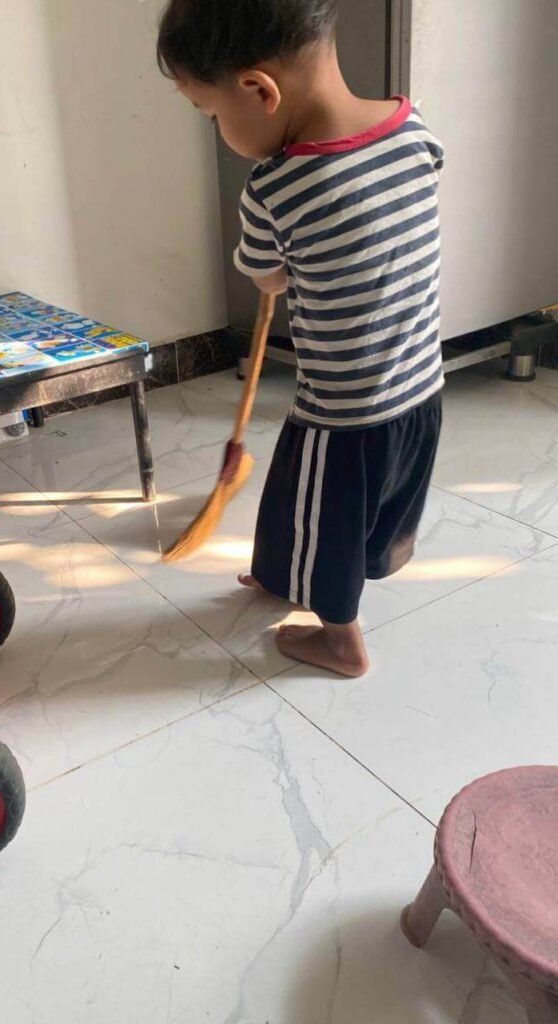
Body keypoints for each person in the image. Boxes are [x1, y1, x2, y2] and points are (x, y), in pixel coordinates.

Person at [157, 0, 445, 677]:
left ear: (259, 91)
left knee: (332, 516)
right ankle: (290, 569)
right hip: (420, 384)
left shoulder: (276, 187)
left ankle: (340, 637)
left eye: (212, 114)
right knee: (310, 491)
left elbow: (266, 274)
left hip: (343, 411)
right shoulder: (413, 126)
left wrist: (286, 264)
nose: (216, 127)